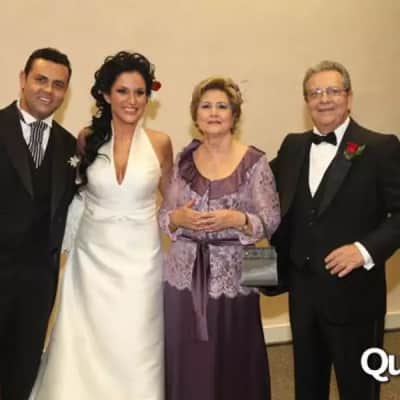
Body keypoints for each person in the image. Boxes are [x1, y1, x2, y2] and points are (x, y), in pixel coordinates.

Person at [30, 51, 173, 400]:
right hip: (91, 260)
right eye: (122, 91)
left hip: (141, 262)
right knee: (85, 340)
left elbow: (173, 204)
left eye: (139, 92)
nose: (132, 101)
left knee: (135, 341)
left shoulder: (160, 143)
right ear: (107, 95)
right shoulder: (86, 139)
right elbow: (71, 195)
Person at [270, 60, 400, 400]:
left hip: (356, 296)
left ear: (349, 97)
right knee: (307, 389)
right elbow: (255, 186)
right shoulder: (293, 146)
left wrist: (364, 250)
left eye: (333, 91)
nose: (324, 99)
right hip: (303, 296)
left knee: (359, 390)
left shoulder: (381, 147)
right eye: (315, 93)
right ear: (306, 101)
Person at [159, 76, 280, 400]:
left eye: (222, 106)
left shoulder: (255, 162)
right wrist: (177, 218)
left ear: (234, 115)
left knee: (234, 356)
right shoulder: (183, 161)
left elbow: (271, 220)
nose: (213, 113)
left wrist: (237, 219)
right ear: (195, 115)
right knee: (189, 359)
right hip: (182, 278)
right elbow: (163, 216)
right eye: (206, 106)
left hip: (237, 277)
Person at [0, 47, 75, 400]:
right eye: (41, 80)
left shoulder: (70, 146)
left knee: (23, 369)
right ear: (23, 79)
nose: (48, 90)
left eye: (58, 85)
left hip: (38, 284)